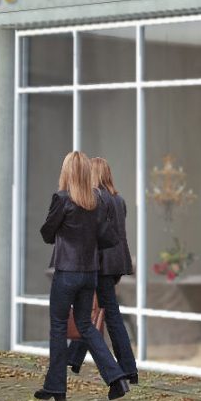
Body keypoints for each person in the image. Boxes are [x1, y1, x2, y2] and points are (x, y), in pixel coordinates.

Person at [35, 152, 130, 401]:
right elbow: (109, 238)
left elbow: (47, 233)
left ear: (66, 172)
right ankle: (117, 378)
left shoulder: (62, 199)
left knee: (58, 327)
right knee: (86, 326)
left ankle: (56, 387)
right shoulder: (96, 201)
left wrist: (65, 232)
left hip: (67, 273)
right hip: (90, 275)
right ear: (87, 174)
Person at [64, 156, 138, 385]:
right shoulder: (119, 200)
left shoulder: (95, 199)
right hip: (116, 264)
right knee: (92, 310)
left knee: (108, 314)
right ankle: (73, 358)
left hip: (99, 263)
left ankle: (128, 368)